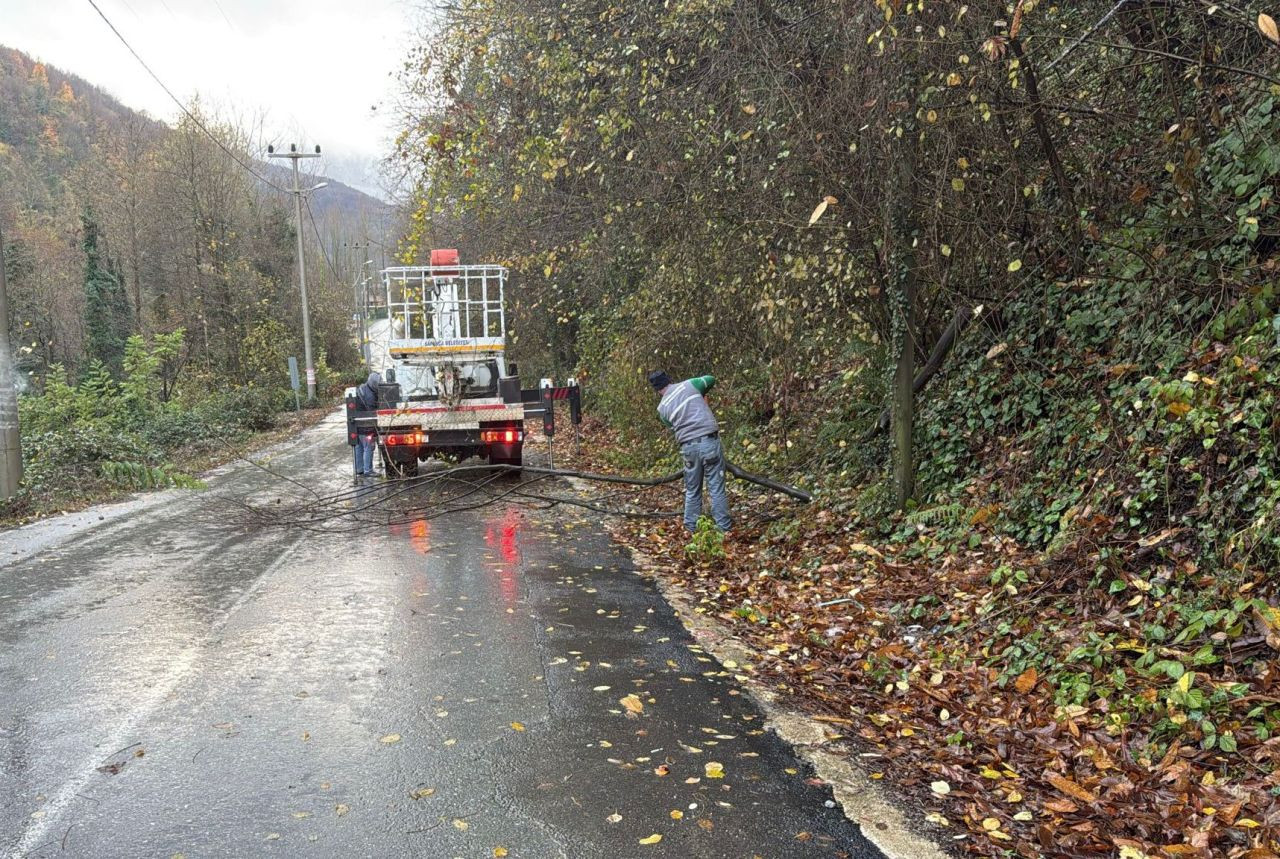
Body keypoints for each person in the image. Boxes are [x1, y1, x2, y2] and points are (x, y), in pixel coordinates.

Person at [649, 370, 731, 532]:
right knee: (716, 487)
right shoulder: (690, 384)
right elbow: (711, 379)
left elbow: (674, 426)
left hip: (688, 448)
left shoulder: (662, 410)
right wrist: (702, 395)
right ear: (669, 379)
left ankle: (690, 529)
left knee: (692, 490)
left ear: (657, 390)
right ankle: (723, 529)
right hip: (708, 442)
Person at [354, 371, 381, 477]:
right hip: (367, 428)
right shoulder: (370, 396)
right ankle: (368, 470)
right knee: (368, 447)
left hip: (357, 426)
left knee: (359, 447)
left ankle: (359, 469)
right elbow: (373, 413)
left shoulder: (362, 388)